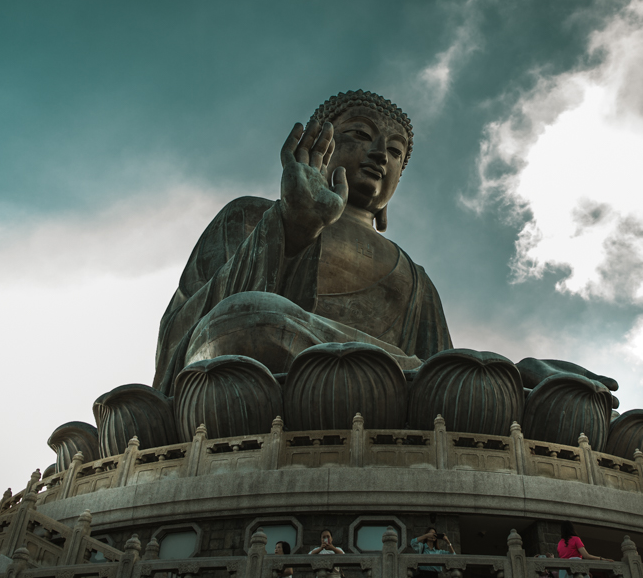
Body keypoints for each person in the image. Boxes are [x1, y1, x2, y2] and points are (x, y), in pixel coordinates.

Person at [152, 91, 452, 394]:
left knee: (471, 376)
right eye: (360, 134)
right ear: (316, 148)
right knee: (243, 319)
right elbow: (181, 336)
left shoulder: (415, 278)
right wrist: (293, 227)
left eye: (396, 152)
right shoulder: (248, 215)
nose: (380, 154)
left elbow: (441, 372)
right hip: (259, 379)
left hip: (386, 389)